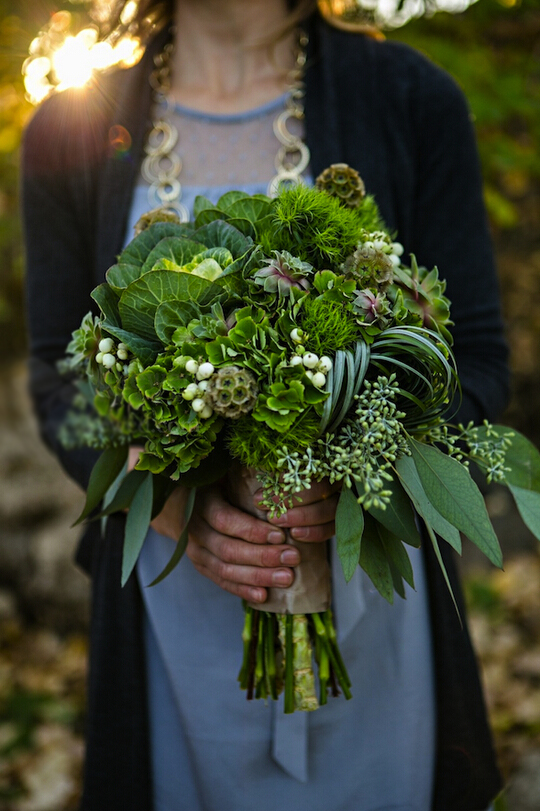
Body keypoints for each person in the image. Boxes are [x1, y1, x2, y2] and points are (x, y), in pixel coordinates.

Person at [22, 1, 509, 809]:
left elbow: (482, 361)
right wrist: (168, 497)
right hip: (169, 613)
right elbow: (58, 374)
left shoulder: (415, 98)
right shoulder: (70, 129)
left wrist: (359, 464)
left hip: (373, 603)